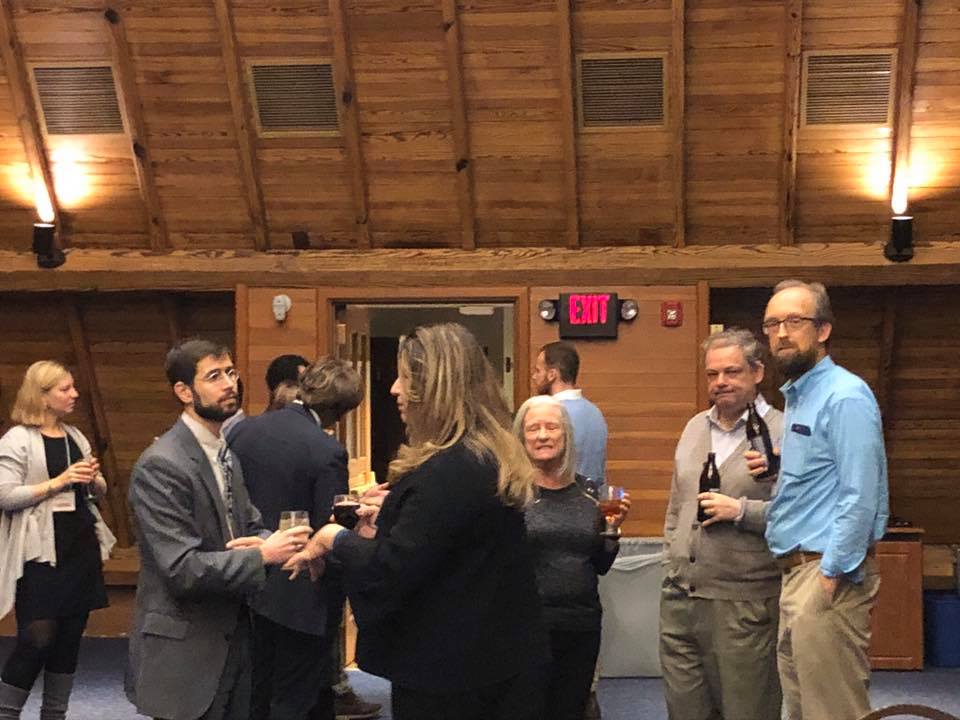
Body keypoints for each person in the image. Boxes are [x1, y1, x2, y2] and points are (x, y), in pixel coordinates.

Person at [287, 323, 550, 720]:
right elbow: (448, 545)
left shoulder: (447, 470)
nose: (394, 389)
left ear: (435, 389)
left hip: (454, 673)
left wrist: (333, 538)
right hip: (496, 657)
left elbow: (390, 569)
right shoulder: (485, 454)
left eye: (405, 379)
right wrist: (390, 522)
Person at [125, 339, 311, 720]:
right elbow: (182, 569)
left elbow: (250, 526)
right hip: (186, 651)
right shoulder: (162, 465)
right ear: (184, 392)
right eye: (213, 377)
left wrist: (290, 547)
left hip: (236, 638)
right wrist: (262, 554)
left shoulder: (225, 454)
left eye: (230, 373)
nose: (229, 384)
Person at [751, 280, 888, 720]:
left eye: (795, 321)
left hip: (825, 574)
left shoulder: (844, 395)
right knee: (801, 711)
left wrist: (832, 573)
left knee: (833, 713)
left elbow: (860, 493)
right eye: (772, 323)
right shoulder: (801, 396)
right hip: (796, 573)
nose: (781, 333)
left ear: (823, 330)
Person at [228, 358, 363, 720]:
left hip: (244, 574)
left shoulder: (243, 430)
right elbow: (327, 526)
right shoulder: (327, 450)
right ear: (342, 410)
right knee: (297, 696)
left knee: (255, 691)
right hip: (301, 587)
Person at [659, 329, 783, 720]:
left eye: (732, 372)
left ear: (757, 372)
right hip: (680, 597)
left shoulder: (784, 432)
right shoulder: (694, 427)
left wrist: (742, 511)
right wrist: (672, 557)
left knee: (747, 711)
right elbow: (677, 505)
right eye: (713, 374)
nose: (721, 382)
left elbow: (804, 516)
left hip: (744, 603)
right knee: (685, 711)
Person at [0, 361, 116, 720]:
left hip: (79, 548)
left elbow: (97, 491)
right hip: (41, 555)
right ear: (42, 396)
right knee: (37, 638)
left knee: (68, 640)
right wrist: (59, 482)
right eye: (65, 389)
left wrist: (93, 480)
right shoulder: (17, 440)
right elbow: (5, 495)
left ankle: (55, 714)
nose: (74, 394)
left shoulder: (75, 436)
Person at [513, 395, 628, 720]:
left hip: (581, 626)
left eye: (552, 427)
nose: (543, 435)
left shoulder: (591, 493)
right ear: (521, 437)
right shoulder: (510, 494)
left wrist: (613, 531)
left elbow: (601, 566)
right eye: (533, 428)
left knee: (571, 711)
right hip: (525, 629)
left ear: (566, 435)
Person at [531, 342, 607, 489]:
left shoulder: (550, 415)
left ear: (552, 375)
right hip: (592, 499)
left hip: (560, 498)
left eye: (538, 371)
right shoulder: (596, 413)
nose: (534, 377)